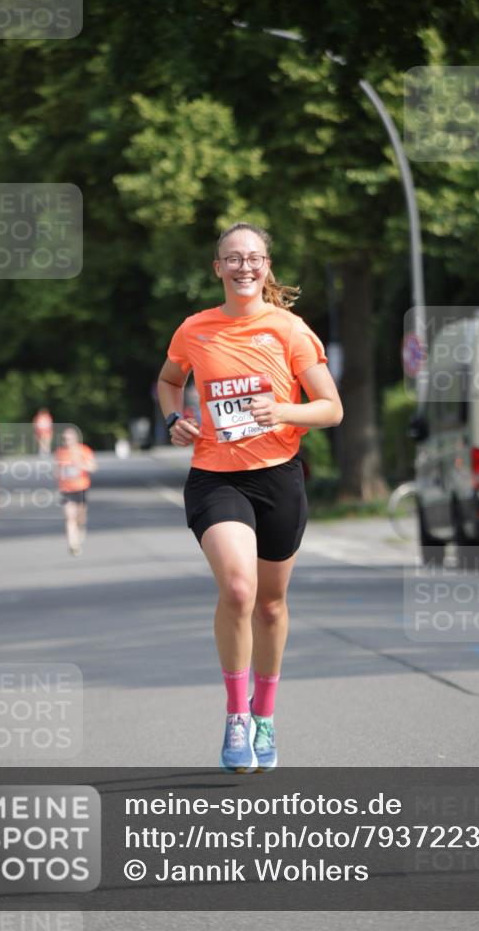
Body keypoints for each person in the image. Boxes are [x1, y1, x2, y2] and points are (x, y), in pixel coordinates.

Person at [157, 222, 343, 773]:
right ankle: (236, 716)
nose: (243, 267)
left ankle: (265, 714)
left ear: (266, 266)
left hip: (278, 476)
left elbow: (331, 408)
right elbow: (169, 380)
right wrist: (174, 417)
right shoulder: (195, 329)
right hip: (216, 477)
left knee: (270, 604)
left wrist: (283, 411)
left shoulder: (289, 331)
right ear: (218, 268)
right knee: (239, 589)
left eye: (253, 258)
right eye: (232, 259)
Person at [55, 427, 97, 556]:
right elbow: (57, 470)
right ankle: (73, 545)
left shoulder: (84, 450)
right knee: (69, 517)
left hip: (82, 487)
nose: (67, 441)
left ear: (75, 439)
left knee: (80, 516)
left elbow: (93, 467)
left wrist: (81, 465)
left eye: (69, 438)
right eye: (65, 439)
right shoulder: (60, 452)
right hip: (66, 490)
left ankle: (81, 528)